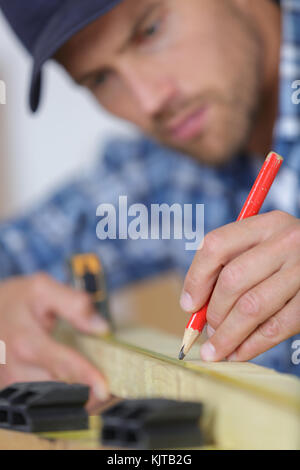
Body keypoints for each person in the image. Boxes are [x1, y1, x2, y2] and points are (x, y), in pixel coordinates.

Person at [0, 0, 299, 406]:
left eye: (150, 31)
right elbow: (15, 252)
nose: (150, 101)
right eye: (101, 77)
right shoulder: (162, 166)